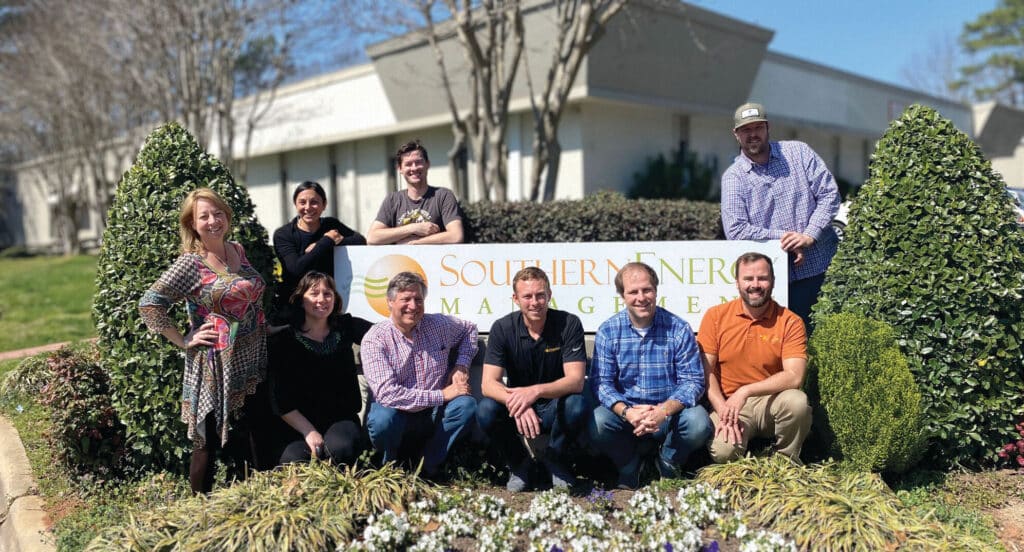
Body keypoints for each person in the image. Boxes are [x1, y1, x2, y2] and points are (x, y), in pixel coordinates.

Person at [138, 188, 267, 494]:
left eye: (218, 213)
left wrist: (265, 326)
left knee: (251, 433)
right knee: (206, 442)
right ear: (192, 224)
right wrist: (184, 339)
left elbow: (251, 297)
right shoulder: (190, 264)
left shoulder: (237, 249)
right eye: (204, 216)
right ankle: (198, 511)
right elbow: (149, 303)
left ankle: (253, 502)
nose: (213, 221)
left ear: (227, 216)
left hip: (250, 355)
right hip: (214, 365)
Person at [589, 262, 711, 489]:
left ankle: (668, 462)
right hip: (628, 416)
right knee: (598, 421)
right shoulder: (608, 330)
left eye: (647, 290)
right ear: (622, 296)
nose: (641, 297)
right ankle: (629, 466)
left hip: (669, 414)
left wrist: (663, 411)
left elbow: (693, 381)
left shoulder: (678, 328)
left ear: (656, 291)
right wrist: (627, 412)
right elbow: (600, 383)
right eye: (633, 292)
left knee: (699, 422)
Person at [721, 102, 841, 328]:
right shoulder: (733, 177)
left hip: (823, 269)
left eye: (757, 127)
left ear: (768, 127)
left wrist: (808, 235)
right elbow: (736, 229)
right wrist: (786, 239)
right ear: (736, 134)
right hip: (773, 285)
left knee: (827, 342)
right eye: (746, 130)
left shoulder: (799, 153)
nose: (752, 134)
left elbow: (829, 195)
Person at [477, 267, 587, 492]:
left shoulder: (569, 323)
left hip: (554, 405)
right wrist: (517, 401)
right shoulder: (502, 328)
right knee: (486, 410)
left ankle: (555, 462)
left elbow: (576, 380)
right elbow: (488, 384)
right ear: (516, 299)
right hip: (517, 409)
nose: (535, 302)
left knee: (577, 403)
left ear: (549, 295)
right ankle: (520, 465)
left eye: (540, 295)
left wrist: (534, 391)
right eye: (527, 296)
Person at [360, 272, 478, 479]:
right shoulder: (375, 339)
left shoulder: (439, 325)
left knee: (466, 406)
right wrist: (442, 395)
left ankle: (428, 466)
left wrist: (461, 365)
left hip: (432, 414)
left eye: (418, 299)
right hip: (397, 414)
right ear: (390, 302)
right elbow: (389, 395)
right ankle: (390, 468)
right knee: (382, 419)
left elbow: (470, 330)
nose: (413, 306)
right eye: (405, 299)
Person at [698, 252, 811, 464]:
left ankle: (786, 460)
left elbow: (795, 377)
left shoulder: (790, 321)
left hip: (773, 400)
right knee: (724, 453)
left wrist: (746, 390)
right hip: (730, 404)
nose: (755, 284)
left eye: (762, 278)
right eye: (748, 279)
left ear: (773, 282)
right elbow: (706, 372)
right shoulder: (716, 316)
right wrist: (722, 408)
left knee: (797, 402)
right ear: (737, 283)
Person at [267, 271, 372, 466]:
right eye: (314, 293)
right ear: (300, 299)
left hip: (340, 417)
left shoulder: (346, 326)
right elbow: (279, 399)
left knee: (341, 450)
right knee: (295, 460)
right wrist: (309, 431)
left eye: (327, 293)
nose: (321, 299)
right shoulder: (285, 340)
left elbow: (387, 334)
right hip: (298, 422)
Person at [273, 181, 365, 312]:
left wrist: (327, 242)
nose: (308, 207)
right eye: (302, 202)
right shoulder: (284, 234)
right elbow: (296, 269)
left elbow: (360, 240)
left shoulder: (331, 224)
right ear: (295, 204)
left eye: (314, 202)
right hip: (296, 304)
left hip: (330, 301)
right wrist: (326, 241)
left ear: (324, 204)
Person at [366, 140, 465, 245]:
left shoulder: (443, 196)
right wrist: (413, 228)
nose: (414, 168)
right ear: (400, 169)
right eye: (408, 164)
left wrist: (416, 243)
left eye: (418, 162)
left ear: (427, 164)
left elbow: (456, 236)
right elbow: (372, 238)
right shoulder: (392, 200)